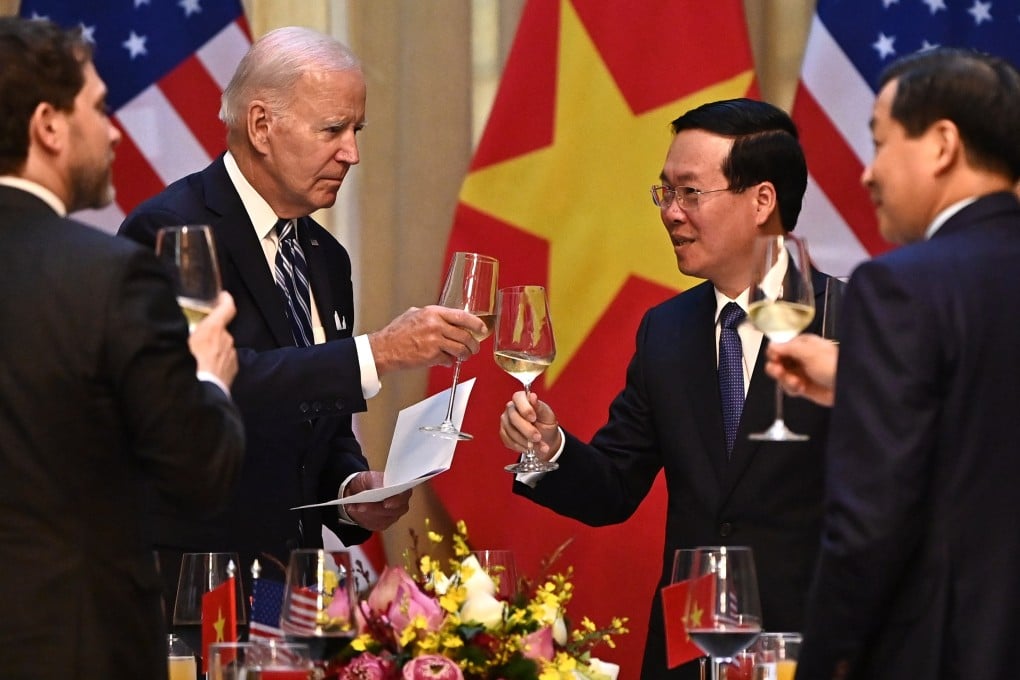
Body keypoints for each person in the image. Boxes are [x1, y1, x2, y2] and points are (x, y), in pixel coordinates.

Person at [119, 26, 486, 613]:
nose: (352, 153)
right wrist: (379, 352)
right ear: (261, 125)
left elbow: (320, 422)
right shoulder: (172, 233)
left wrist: (349, 491)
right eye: (332, 130)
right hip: (194, 588)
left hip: (295, 590)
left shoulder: (324, 257)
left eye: (356, 130)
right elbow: (204, 391)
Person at [498, 98, 833, 679]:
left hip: (817, 645)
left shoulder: (857, 321)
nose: (671, 213)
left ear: (762, 200)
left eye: (690, 193)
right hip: (691, 649)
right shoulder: (666, 330)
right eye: (665, 193)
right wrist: (547, 449)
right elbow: (612, 488)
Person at [0, 17, 245, 679]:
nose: (113, 129)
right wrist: (208, 378)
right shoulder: (112, 274)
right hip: (70, 647)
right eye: (101, 106)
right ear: (49, 126)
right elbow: (198, 473)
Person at [764, 49, 1020, 680]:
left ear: (941, 144)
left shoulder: (902, 286)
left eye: (878, 143)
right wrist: (862, 380)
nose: (867, 173)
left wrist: (820, 663)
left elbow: (870, 523)